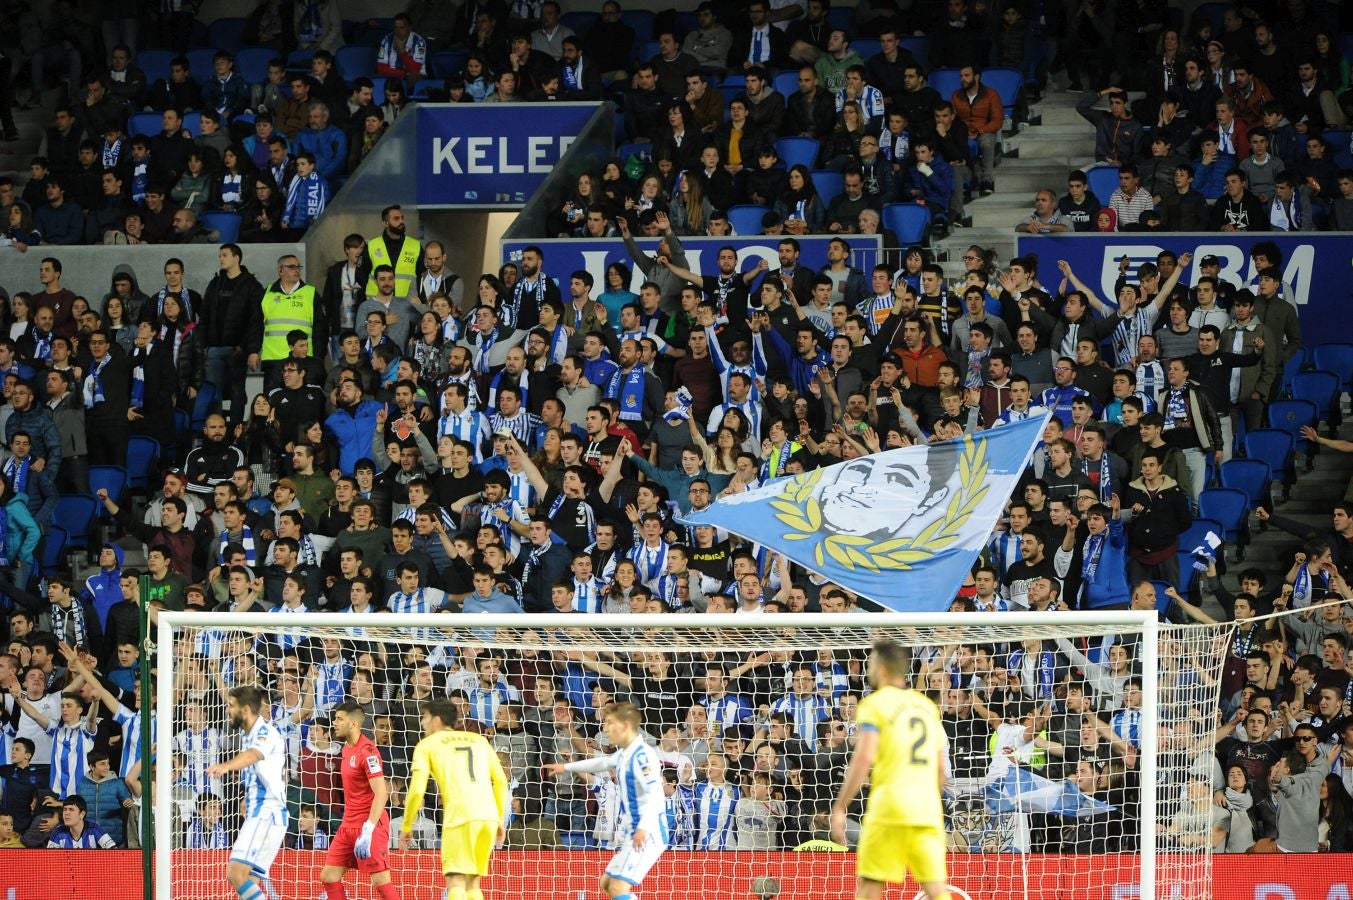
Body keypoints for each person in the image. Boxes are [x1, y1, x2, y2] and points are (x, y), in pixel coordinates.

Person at [830, 640, 948, 900]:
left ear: (881, 669)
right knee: (936, 890)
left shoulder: (874, 704)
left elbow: (863, 759)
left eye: (871, 663)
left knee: (870, 885)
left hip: (890, 806)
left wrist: (840, 808)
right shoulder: (926, 706)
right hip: (927, 808)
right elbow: (941, 770)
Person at [545, 702, 668, 900]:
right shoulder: (626, 753)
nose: (604, 728)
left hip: (648, 832)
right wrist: (566, 767)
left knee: (618, 887)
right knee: (607, 883)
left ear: (625, 726)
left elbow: (655, 793)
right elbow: (602, 761)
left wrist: (644, 828)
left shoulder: (643, 756)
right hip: (634, 830)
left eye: (609, 723)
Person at [399, 698, 508, 900]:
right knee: (473, 882)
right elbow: (501, 782)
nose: (422, 723)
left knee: (456, 881)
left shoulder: (427, 744)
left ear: (437, 721)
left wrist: (407, 825)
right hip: (487, 817)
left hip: (459, 815)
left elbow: (416, 790)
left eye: (425, 717)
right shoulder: (479, 741)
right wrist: (499, 819)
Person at [205, 686, 288, 900]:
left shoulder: (264, 733)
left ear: (247, 709)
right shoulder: (248, 732)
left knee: (235, 873)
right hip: (268, 814)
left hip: (266, 813)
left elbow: (253, 755)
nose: (227, 710)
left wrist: (226, 766)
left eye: (231, 706)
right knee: (250, 882)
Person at [318, 701, 399, 900]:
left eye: (339, 719)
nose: (334, 723)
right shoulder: (346, 749)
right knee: (329, 876)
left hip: (370, 824)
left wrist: (368, 828)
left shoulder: (368, 752)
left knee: (380, 880)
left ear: (353, 723)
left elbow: (382, 794)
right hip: (348, 823)